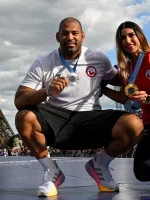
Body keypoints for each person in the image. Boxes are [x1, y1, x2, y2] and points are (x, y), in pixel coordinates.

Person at [14, 17, 144, 197]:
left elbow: (125, 83)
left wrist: (140, 60)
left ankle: (100, 164)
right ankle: (52, 171)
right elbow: (19, 100)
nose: (70, 37)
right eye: (65, 33)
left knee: (134, 125)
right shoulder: (43, 63)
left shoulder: (98, 58)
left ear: (82, 36)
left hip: (91, 119)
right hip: (56, 121)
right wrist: (47, 91)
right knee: (24, 117)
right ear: (57, 36)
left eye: (75, 33)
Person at [102, 21, 150, 182]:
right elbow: (123, 98)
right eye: (123, 38)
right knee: (143, 172)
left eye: (131, 35)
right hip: (148, 124)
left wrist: (148, 98)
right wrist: (101, 89)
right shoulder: (126, 69)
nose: (128, 41)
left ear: (140, 36)